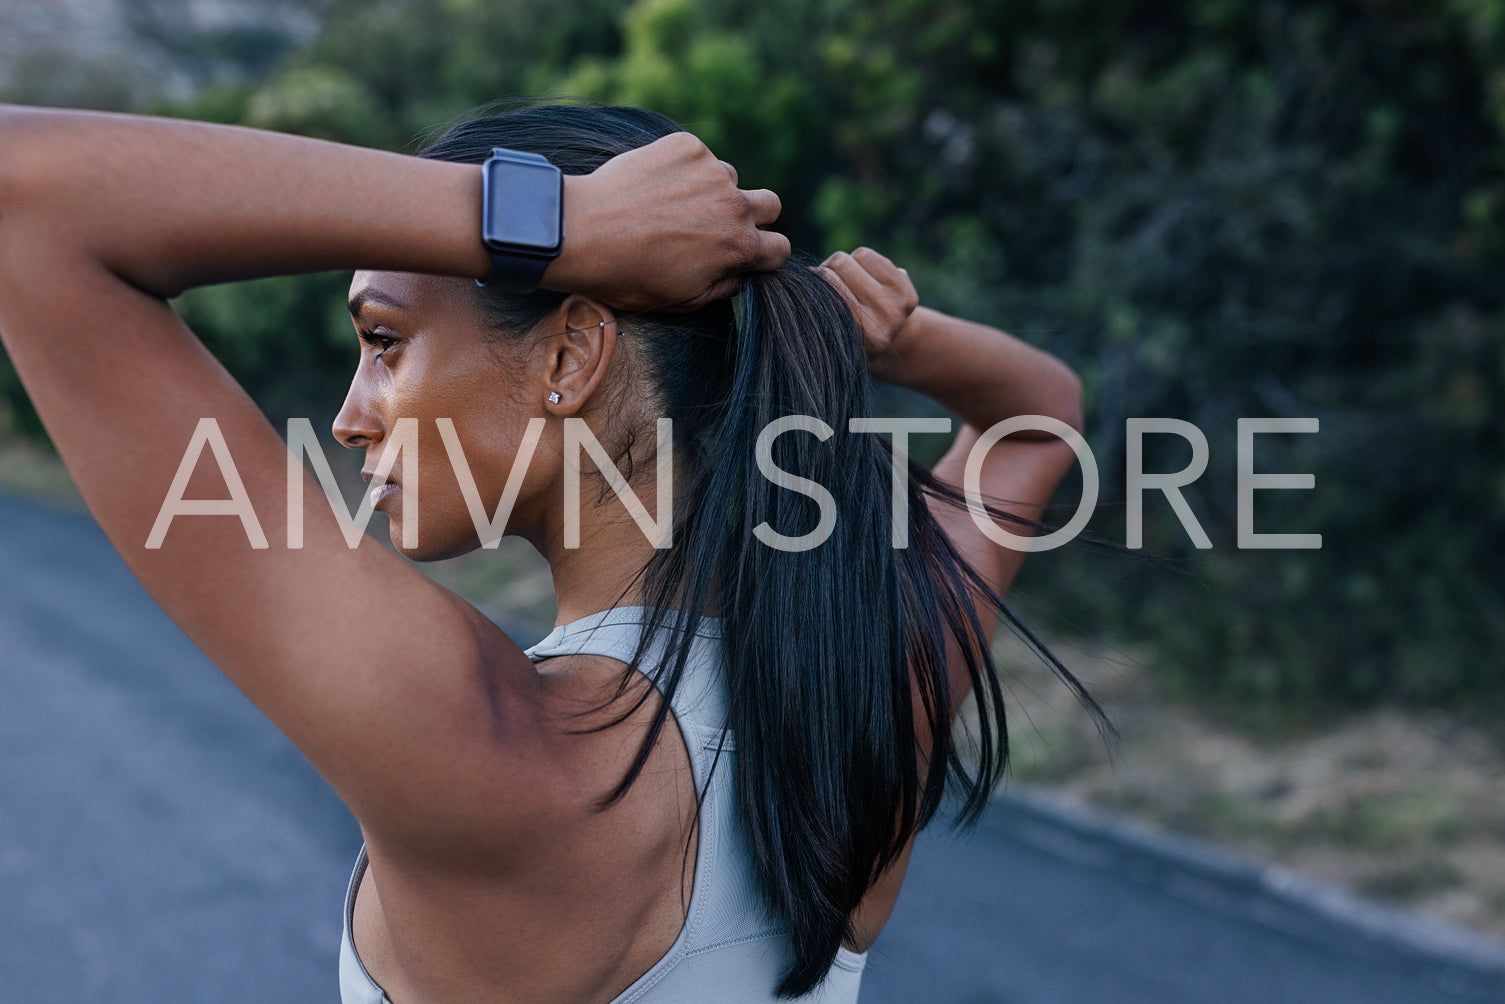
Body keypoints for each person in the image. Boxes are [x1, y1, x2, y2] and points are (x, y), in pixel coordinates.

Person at [0, 101, 1094, 1002]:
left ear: (571, 351)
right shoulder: (873, 680)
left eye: (382, 341)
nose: (347, 413)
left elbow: (26, 195)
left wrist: (550, 222)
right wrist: (880, 332)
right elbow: (1035, 413)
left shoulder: (502, 752)